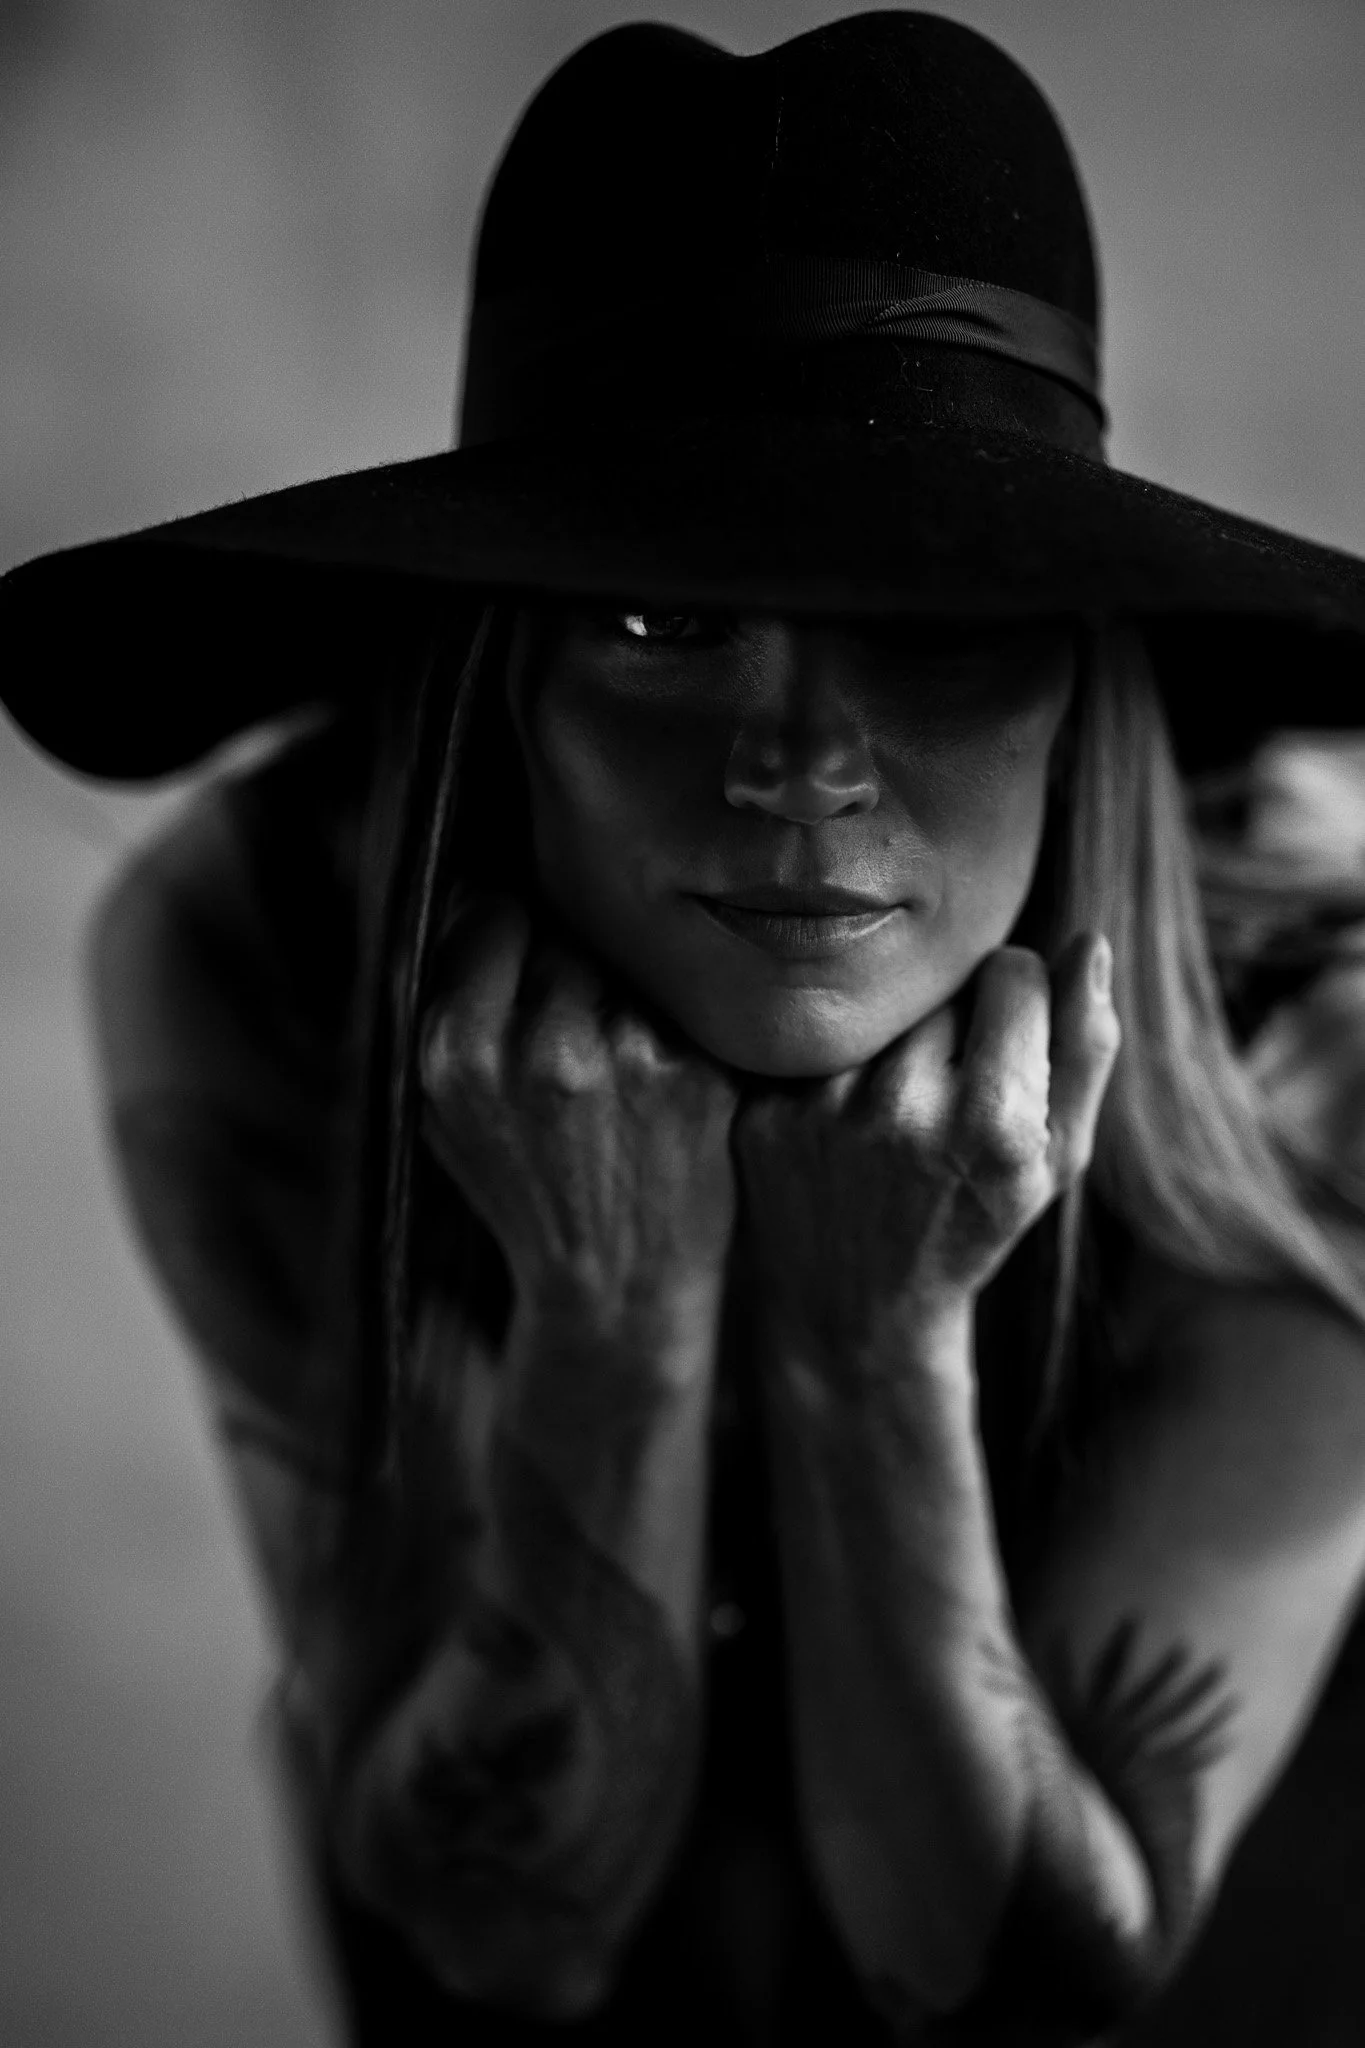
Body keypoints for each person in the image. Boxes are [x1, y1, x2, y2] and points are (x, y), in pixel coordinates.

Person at [5, 13, 1365, 2045]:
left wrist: (864, 1344)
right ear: (497, 682)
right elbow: (496, 1936)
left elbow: (1011, 1992)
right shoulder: (261, 945)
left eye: (926, 616)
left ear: (1085, 679)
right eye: (656, 623)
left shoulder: (1319, 1039)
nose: (799, 762)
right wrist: (613, 1316)